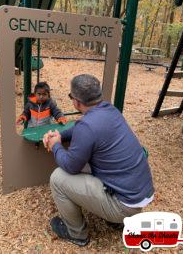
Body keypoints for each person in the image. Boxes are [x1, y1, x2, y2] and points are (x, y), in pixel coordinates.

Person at [43, 74, 154, 246]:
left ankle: (76, 234)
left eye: (71, 96)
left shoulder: (87, 126)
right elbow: (82, 128)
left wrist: (55, 145)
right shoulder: (110, 110)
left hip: (123, 205)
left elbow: (70, 166)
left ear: (77, 102)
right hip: (138, 193)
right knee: (90, 161)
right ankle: (117, 220)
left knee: (58, 178)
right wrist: (61, 135)